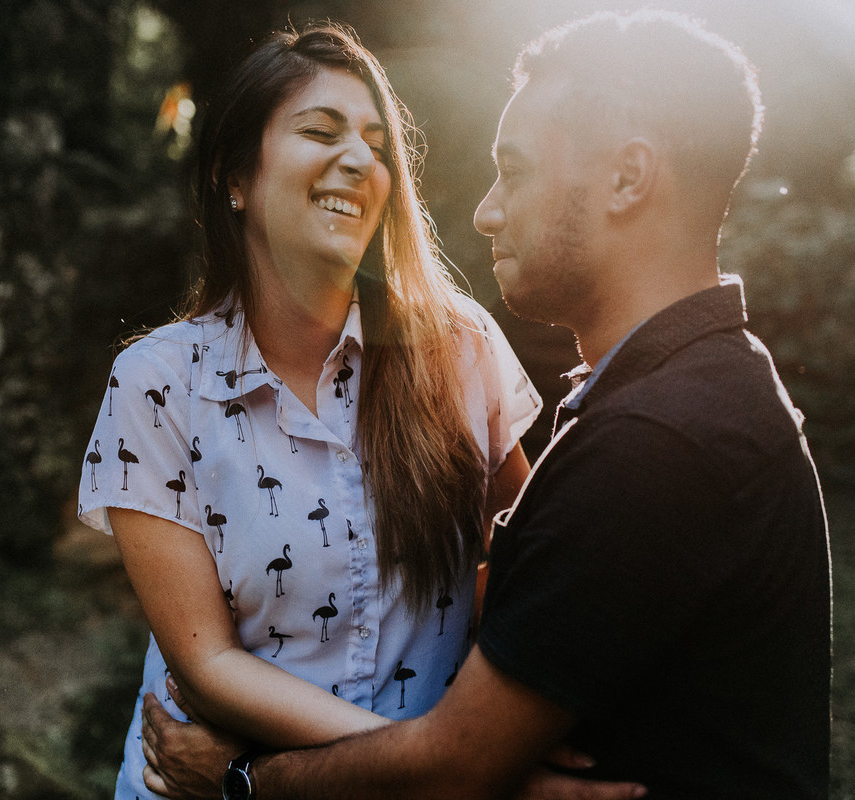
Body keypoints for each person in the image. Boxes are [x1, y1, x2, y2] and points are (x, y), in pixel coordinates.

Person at [140, 10, 832, 799]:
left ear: (627, 179)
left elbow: (456, 767)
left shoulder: (655, 437)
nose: (486, 211)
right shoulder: (681, 391)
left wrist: (240, 781)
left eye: (516, 170)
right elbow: (529, 608)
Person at [76, 19, 652, 800]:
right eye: (321, 131)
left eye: (377, 145)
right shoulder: (158, 383)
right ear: (233, 175)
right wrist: (449, 765)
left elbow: (526, 570)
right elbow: (207, 664)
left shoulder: (457, 348)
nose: (358, 158)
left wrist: (490, 740)